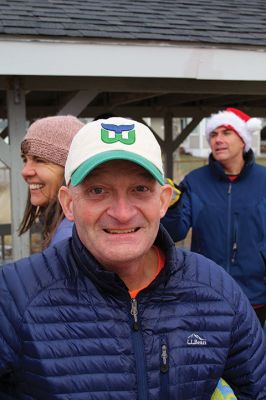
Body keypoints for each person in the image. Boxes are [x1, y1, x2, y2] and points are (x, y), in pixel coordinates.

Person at [0, 117, 265, 399]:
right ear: (69, 203)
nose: (123, 213)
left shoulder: (216, 291)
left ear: (163, 200)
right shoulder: (14, 296)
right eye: (98, 191)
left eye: (140, 189)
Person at [161, 107, 266, 327]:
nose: (218, 139)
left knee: (252, 358)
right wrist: (172, 205)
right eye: (213, 135)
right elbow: (174, 232)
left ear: (243, 140)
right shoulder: (195, 181)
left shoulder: (263, 180)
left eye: (226, 133)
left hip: (256, 295)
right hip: (207, 290)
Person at [18, 115, 84, 248]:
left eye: (40, 160)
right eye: (25, 160)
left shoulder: (70, 239)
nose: (25, 171)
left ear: (71, 169)